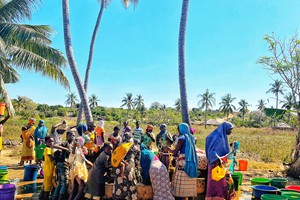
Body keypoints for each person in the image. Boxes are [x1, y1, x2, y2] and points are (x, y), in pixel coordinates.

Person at [166, 123, 198, 199]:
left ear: (181, 130)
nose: (179, 132)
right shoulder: (192, 137)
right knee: (189, 183)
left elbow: (174, 152)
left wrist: (167, 149)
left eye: (179, 130)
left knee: (180, 183)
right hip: (191, 161)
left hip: (183, 162)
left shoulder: (182, 138)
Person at [205, 122, 236, 200]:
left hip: (217, 162)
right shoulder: (218, 138)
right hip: (216, 162)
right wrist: (218, 159)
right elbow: (214, 150)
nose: (230, 132)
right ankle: (216, 197)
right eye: (230, 130)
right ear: (225, 129)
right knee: (217, 181)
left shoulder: (220, 136)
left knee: (218, 181)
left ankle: (218, 196)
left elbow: (221, 148)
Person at [112, 134, 140, 200]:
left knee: (118, 186)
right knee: (131, 186)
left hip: (118, 167)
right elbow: (137, 162)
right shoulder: (136, 147)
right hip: (129, 167)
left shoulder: (120, 146)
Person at [53, 131, 75, 200]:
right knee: (65, 183)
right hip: (63, 164)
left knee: (60, 183)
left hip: (62, 164)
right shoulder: (65, 143)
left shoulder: (71, 144)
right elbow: (55, 145)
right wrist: (66, 149)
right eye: (71, 135)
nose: (72, 137)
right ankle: (60, 198)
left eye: (73, 135)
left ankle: (55, 197)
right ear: (67, 136)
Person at [39, 136, 54, 200]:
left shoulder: (47, 149)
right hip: (48, 169)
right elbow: (51, 158)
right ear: (46, 143)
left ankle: (41, 197)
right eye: (49, 142)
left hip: (47, 168)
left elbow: (43, 158)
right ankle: (45, 198)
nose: (51, 143)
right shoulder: (48, 149)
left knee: (45, 185)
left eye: (52, 141)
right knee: (47, 187)